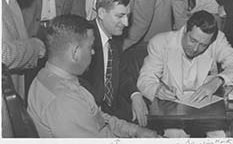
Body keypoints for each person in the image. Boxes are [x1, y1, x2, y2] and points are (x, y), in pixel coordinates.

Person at [27, 14, 159, 138]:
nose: (93, 51)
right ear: (75, 53)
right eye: (90, 47)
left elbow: (97, 117)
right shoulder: (65, 102)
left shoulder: (48, 76)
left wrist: (135, 131)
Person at [137, 10, 233, 137]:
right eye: (193, 40)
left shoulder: (217, 40)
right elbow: (145, 79)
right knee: (175, 135)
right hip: (173, 110)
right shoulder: (160, 43)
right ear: (185, 30)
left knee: (221, 136)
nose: (195, 49)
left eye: (203, 45)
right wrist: (157, 89)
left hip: (207, 110)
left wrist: (218, 80)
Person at [80, 0, 149, 127]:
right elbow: (78, 83)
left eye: (127, 16)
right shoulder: (84, 39)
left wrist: (135, 95)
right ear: (101, 13)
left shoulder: (115, 37)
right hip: (89, 112)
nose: (126, 23)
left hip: (113, 107)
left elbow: (120, 73)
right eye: (120, 16)